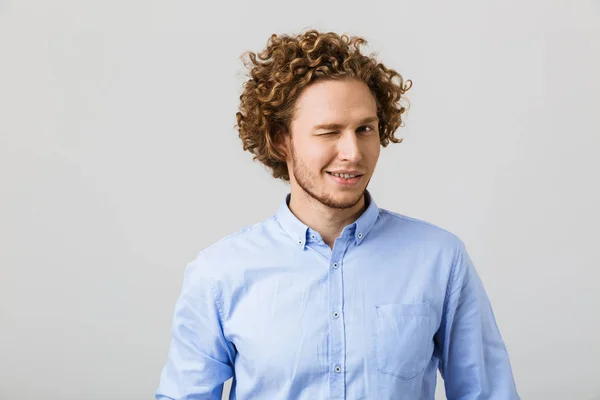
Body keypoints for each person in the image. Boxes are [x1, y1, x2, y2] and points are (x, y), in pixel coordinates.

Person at [155, 29, 520, 400]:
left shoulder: (440, 260)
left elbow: (489, 394)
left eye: (365, 129)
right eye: (329, 132)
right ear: (282, 140)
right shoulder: (219, 274)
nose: (353, 152)